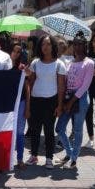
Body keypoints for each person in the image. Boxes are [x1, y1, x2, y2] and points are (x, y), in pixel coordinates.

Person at [25, 35, 66, 169]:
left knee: (49, 131)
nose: (45, 47)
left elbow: (61, 87)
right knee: (35, 130)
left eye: (48, 44)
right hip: (36, 100)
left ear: (53, 46)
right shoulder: (35, 63)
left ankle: (49, 157)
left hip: (51, 101)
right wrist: (28, 104)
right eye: (43, 44)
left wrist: (60, 106)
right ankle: (34, 155)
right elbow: (30, 83)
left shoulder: (59, 64)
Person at [56, 31, 94, 169]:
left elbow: (85, 85)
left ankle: (73, 159)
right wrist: (64, 100)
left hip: (81, 98)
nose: (77, 47)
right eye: (75, 44)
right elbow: (65, 81)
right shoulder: (70, 62)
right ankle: (70, 153)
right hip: (68, 97)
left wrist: (71, 102)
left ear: (85, 46)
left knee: (77, 130)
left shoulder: (89, 63)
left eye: (80, 44)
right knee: (59, 129)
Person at [10, 41, 30, 168]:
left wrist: (28, 107)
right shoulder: (4, 65)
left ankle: (20, 159)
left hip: (21, 102)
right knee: (8, 131)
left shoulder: (22, 67)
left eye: (19, 52)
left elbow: (27, 88)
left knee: (20, 132)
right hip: (8, 103)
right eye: (14, 51)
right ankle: (7, 158)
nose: (16, 54)